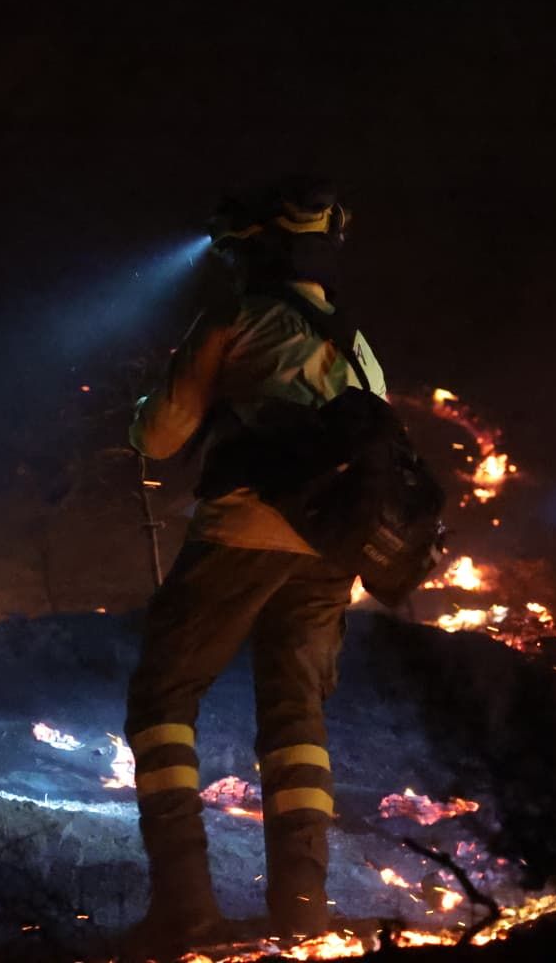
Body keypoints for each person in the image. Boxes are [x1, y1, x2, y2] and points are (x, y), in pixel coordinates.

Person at [124, 177, 387, 949]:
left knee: (163, 697)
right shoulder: (354, 338)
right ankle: (303, 912)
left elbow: (161, 437)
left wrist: (148, 407)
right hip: (331, 553)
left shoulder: (236, 315)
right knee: (295, 714)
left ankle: (183, 909)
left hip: (245, 528)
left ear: (256, 251)